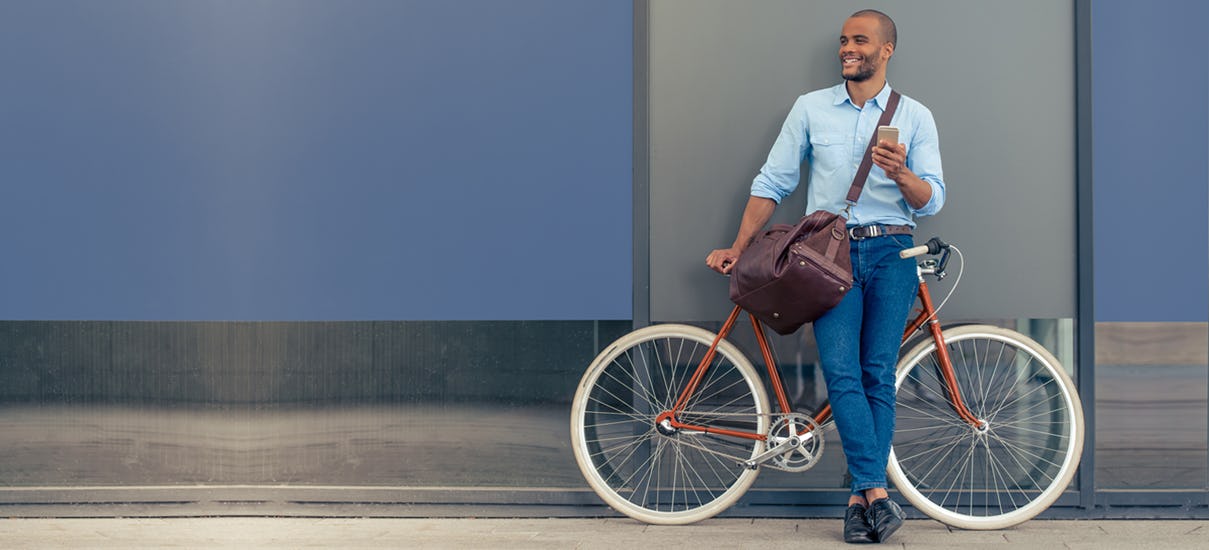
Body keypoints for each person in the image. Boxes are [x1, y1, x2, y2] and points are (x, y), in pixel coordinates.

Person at [706, 9, 945, 545]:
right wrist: (738, 247)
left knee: (878, 373)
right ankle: (875, 494)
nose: (847, 49)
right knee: (842, 374)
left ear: (887, 50)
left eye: (860, 40)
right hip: (826, 256)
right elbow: (774, 181)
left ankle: (861, 505)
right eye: (843, 41)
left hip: (891, 251)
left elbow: (933, 198)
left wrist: (901, 173)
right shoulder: (811, 108)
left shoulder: (917, 117)